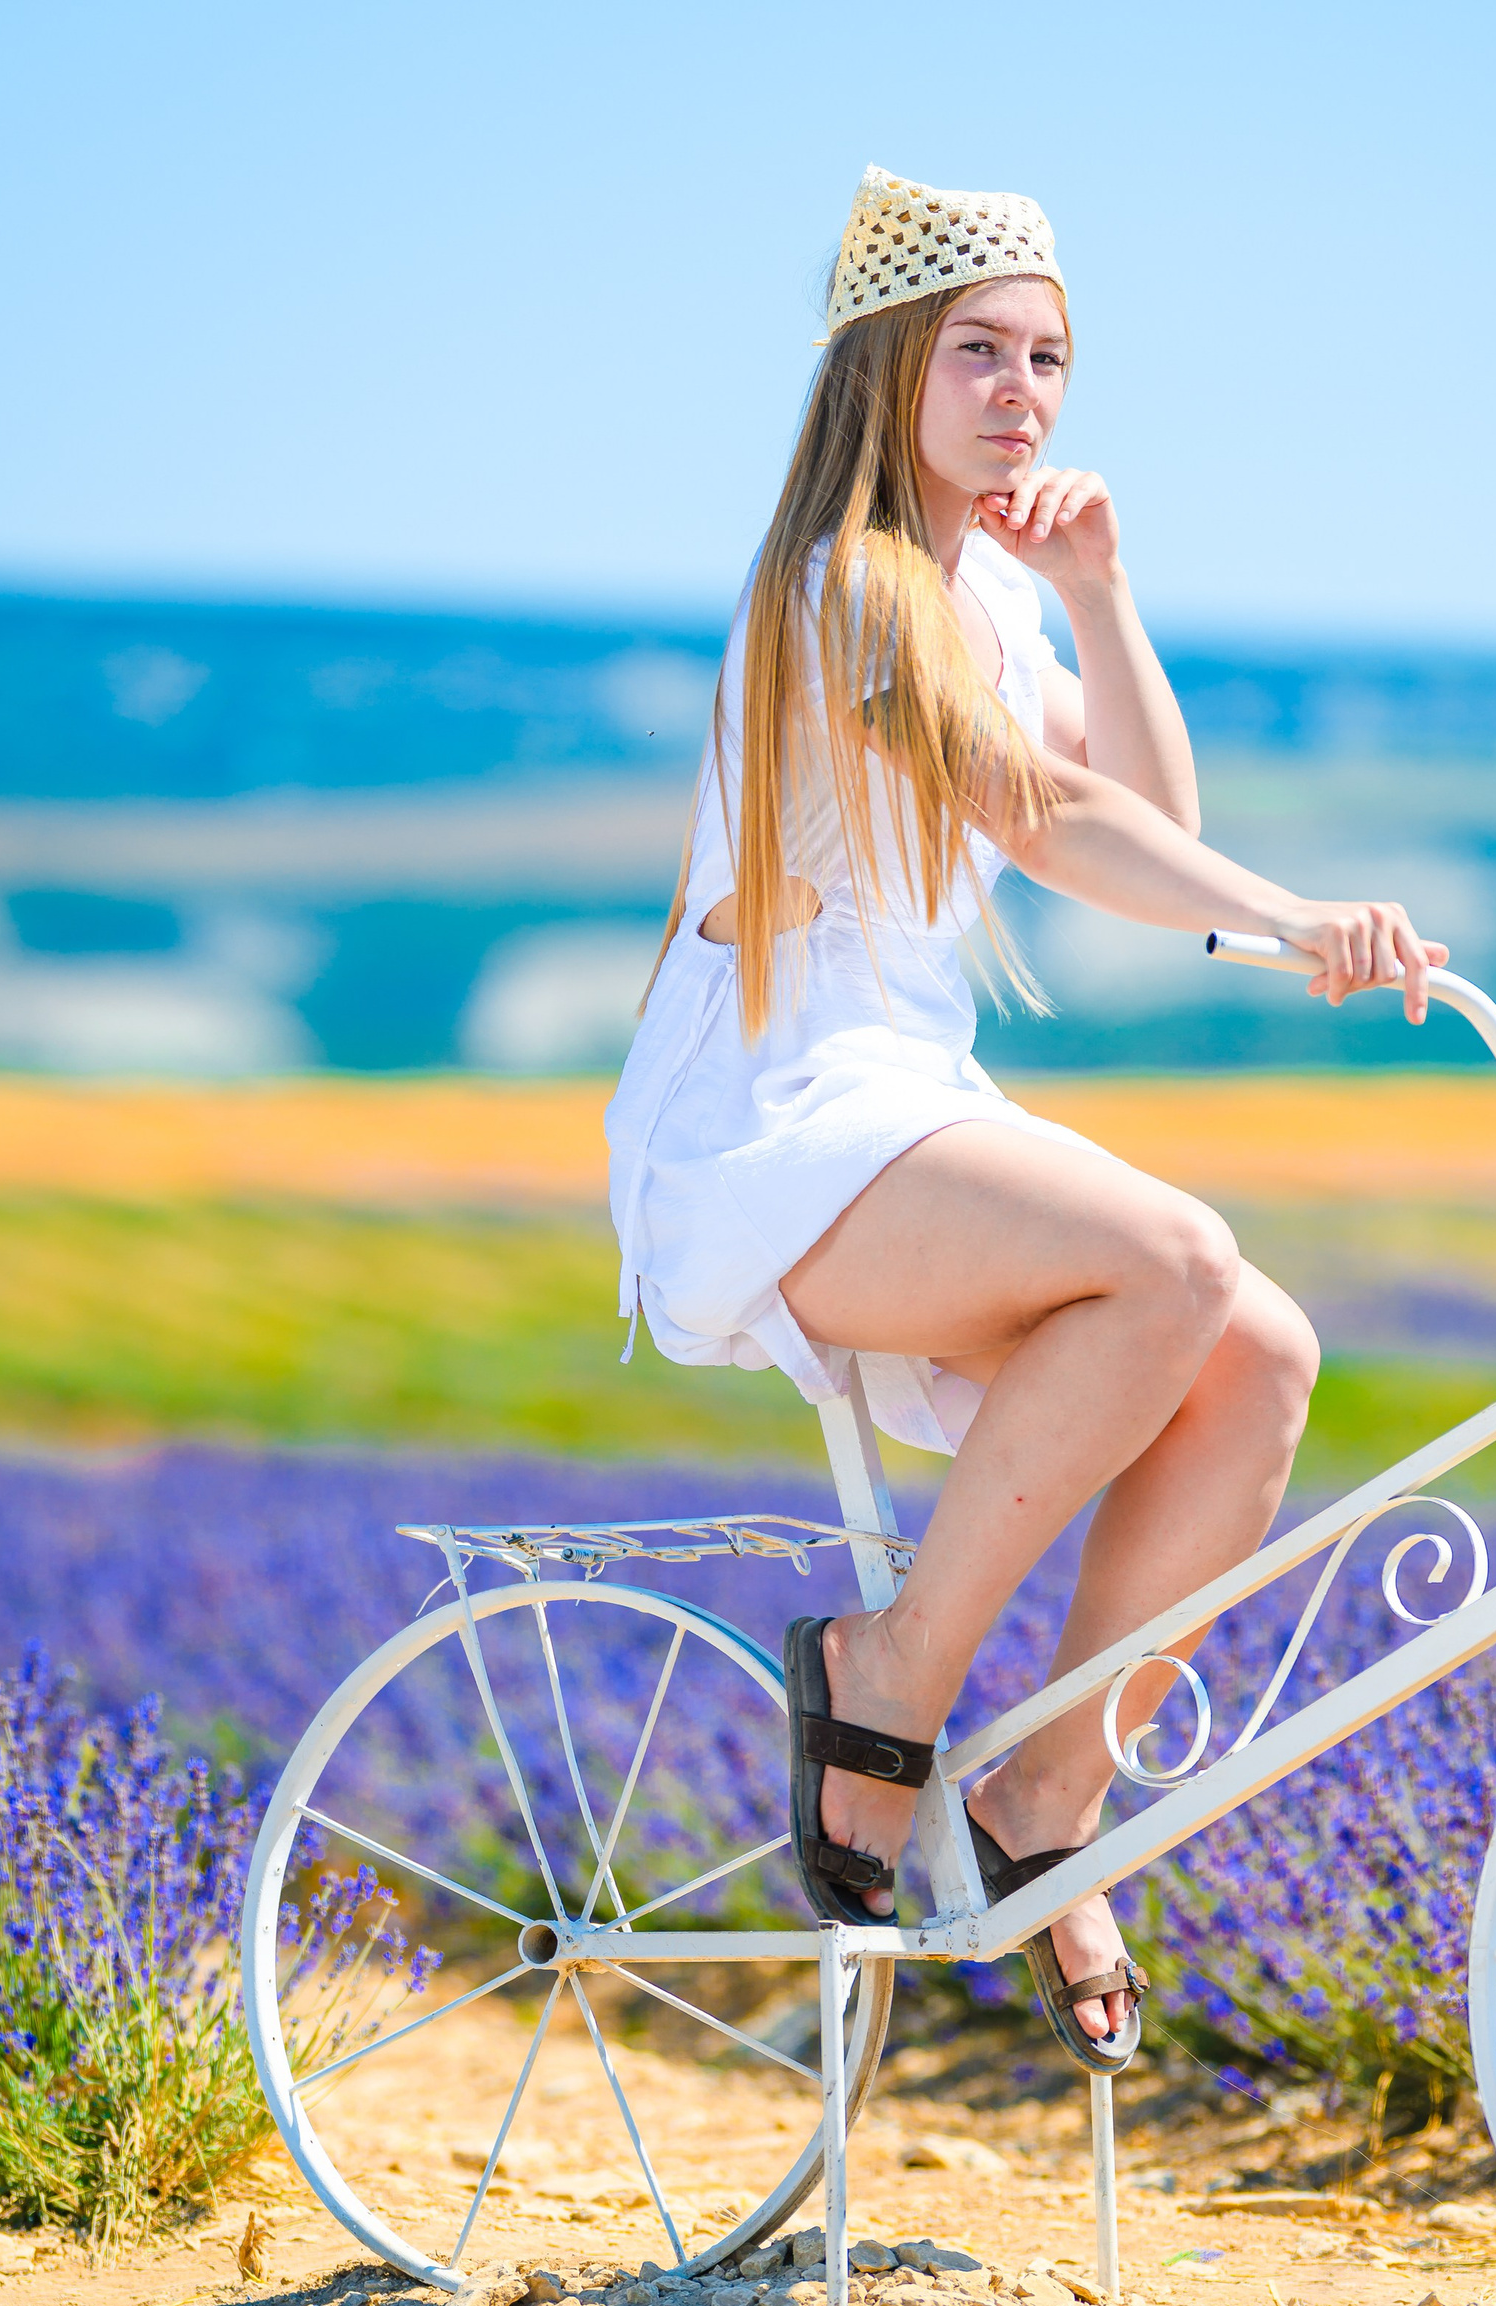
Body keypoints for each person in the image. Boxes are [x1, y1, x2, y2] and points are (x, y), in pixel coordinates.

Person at [606, 163, 1444, 2071]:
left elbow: (1150, 807)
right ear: (888, 364)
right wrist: (1302, 920)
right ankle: (890, 1677)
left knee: (1259, 1355)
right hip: (778, 1110)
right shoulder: (846, 587)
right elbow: (1042, 822)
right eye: (978, 351)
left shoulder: (991, 590)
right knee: (1171, 1258)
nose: (1020, 393)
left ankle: (1047, 1799)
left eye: (1049, 359)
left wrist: (1104, 594)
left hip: (905, 1096)